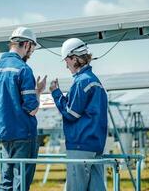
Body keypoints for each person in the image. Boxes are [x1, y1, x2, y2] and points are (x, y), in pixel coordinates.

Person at [0, 26, 47, 191]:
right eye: (32, 49)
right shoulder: (23, 69)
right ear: (27, 44)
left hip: (3, 135)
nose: (31, 53)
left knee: (6, 183)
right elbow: (31, 109)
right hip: (23, 134)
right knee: (21, 184)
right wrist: (38, 91)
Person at [49, 38, 108, 191]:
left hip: (80, 146)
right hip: (96, 146)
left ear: (74, 58)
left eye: (67, 60)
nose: (66, 65)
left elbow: (71, 113)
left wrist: (56, 93)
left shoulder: (81, 81)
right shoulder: (95, 82)